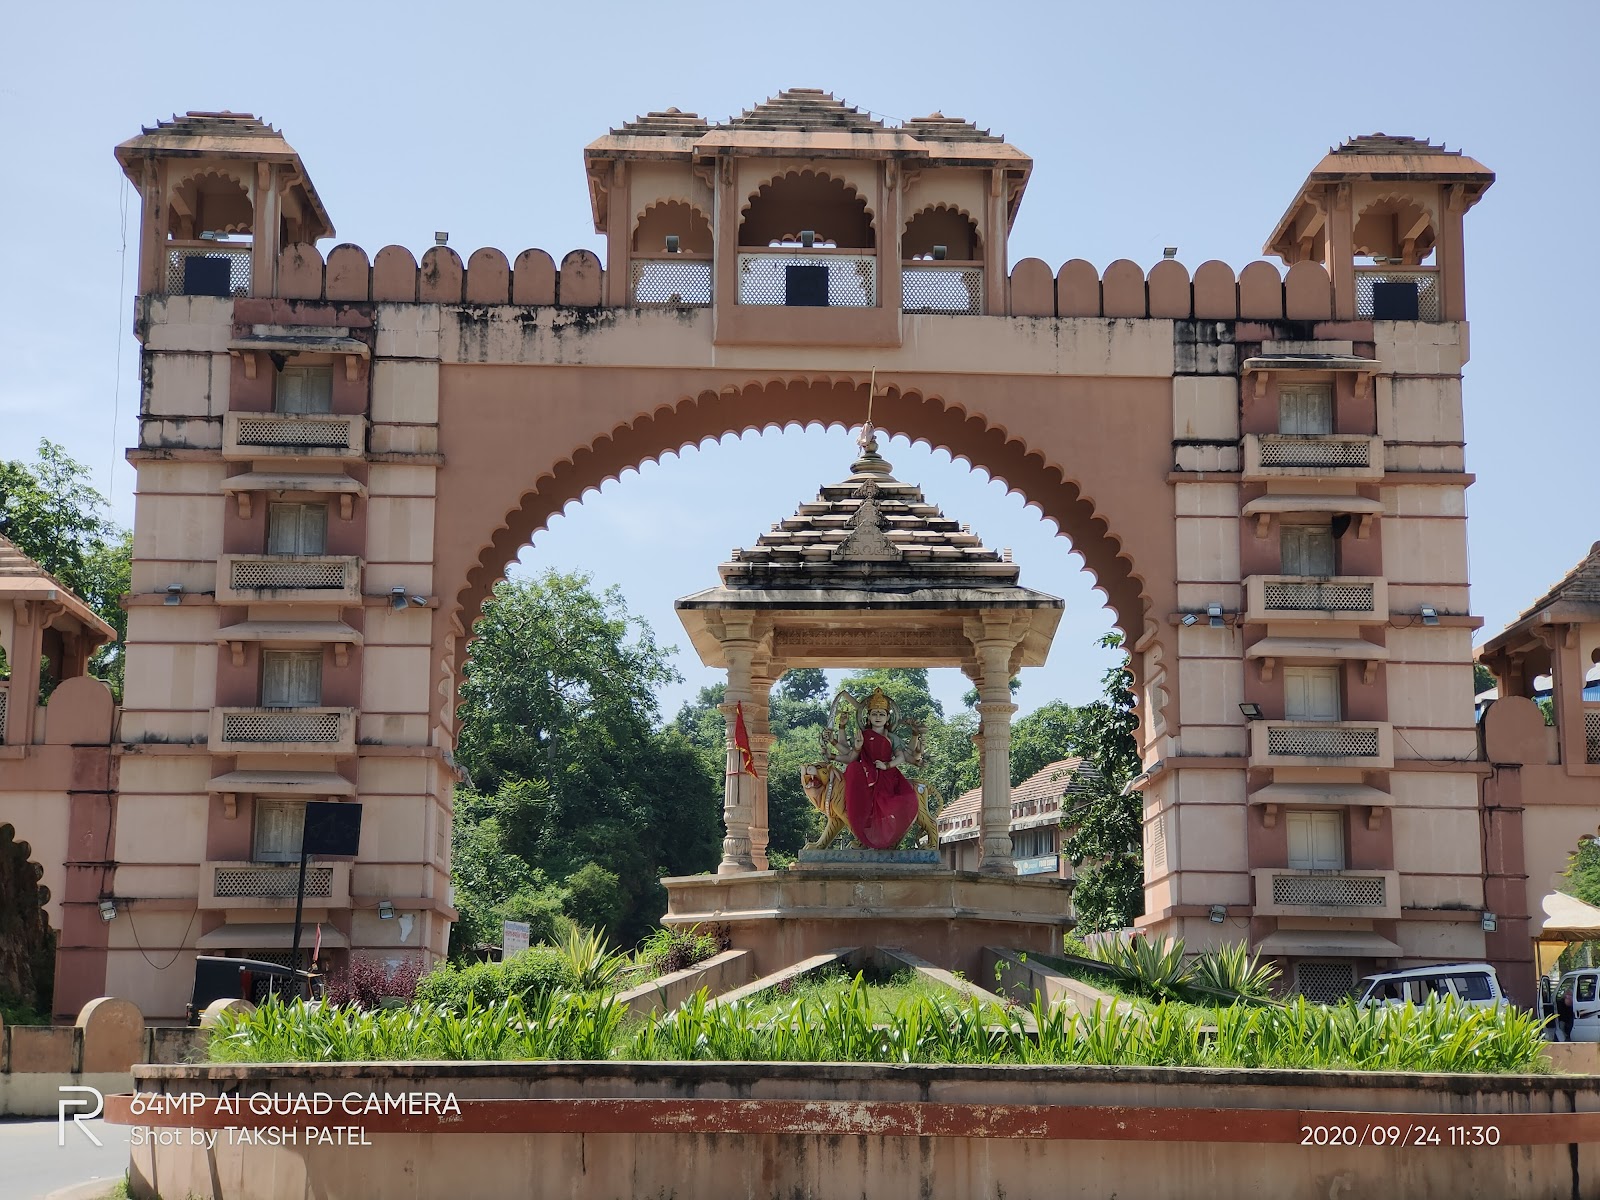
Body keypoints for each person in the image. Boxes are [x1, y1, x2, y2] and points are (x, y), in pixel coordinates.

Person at [841, 688, 921, 850]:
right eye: (875, 714)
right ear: (868, 717)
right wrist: (856, 746)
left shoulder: (892, 738)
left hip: (887, 776)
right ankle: (865, 839)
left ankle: (887, 840)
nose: (878, 717)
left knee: (892, 804)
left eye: (882, 714)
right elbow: (849, 755)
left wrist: (887, 765)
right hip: (866, 776)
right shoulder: (862, 735)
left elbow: (901, 757)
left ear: (888, 718)